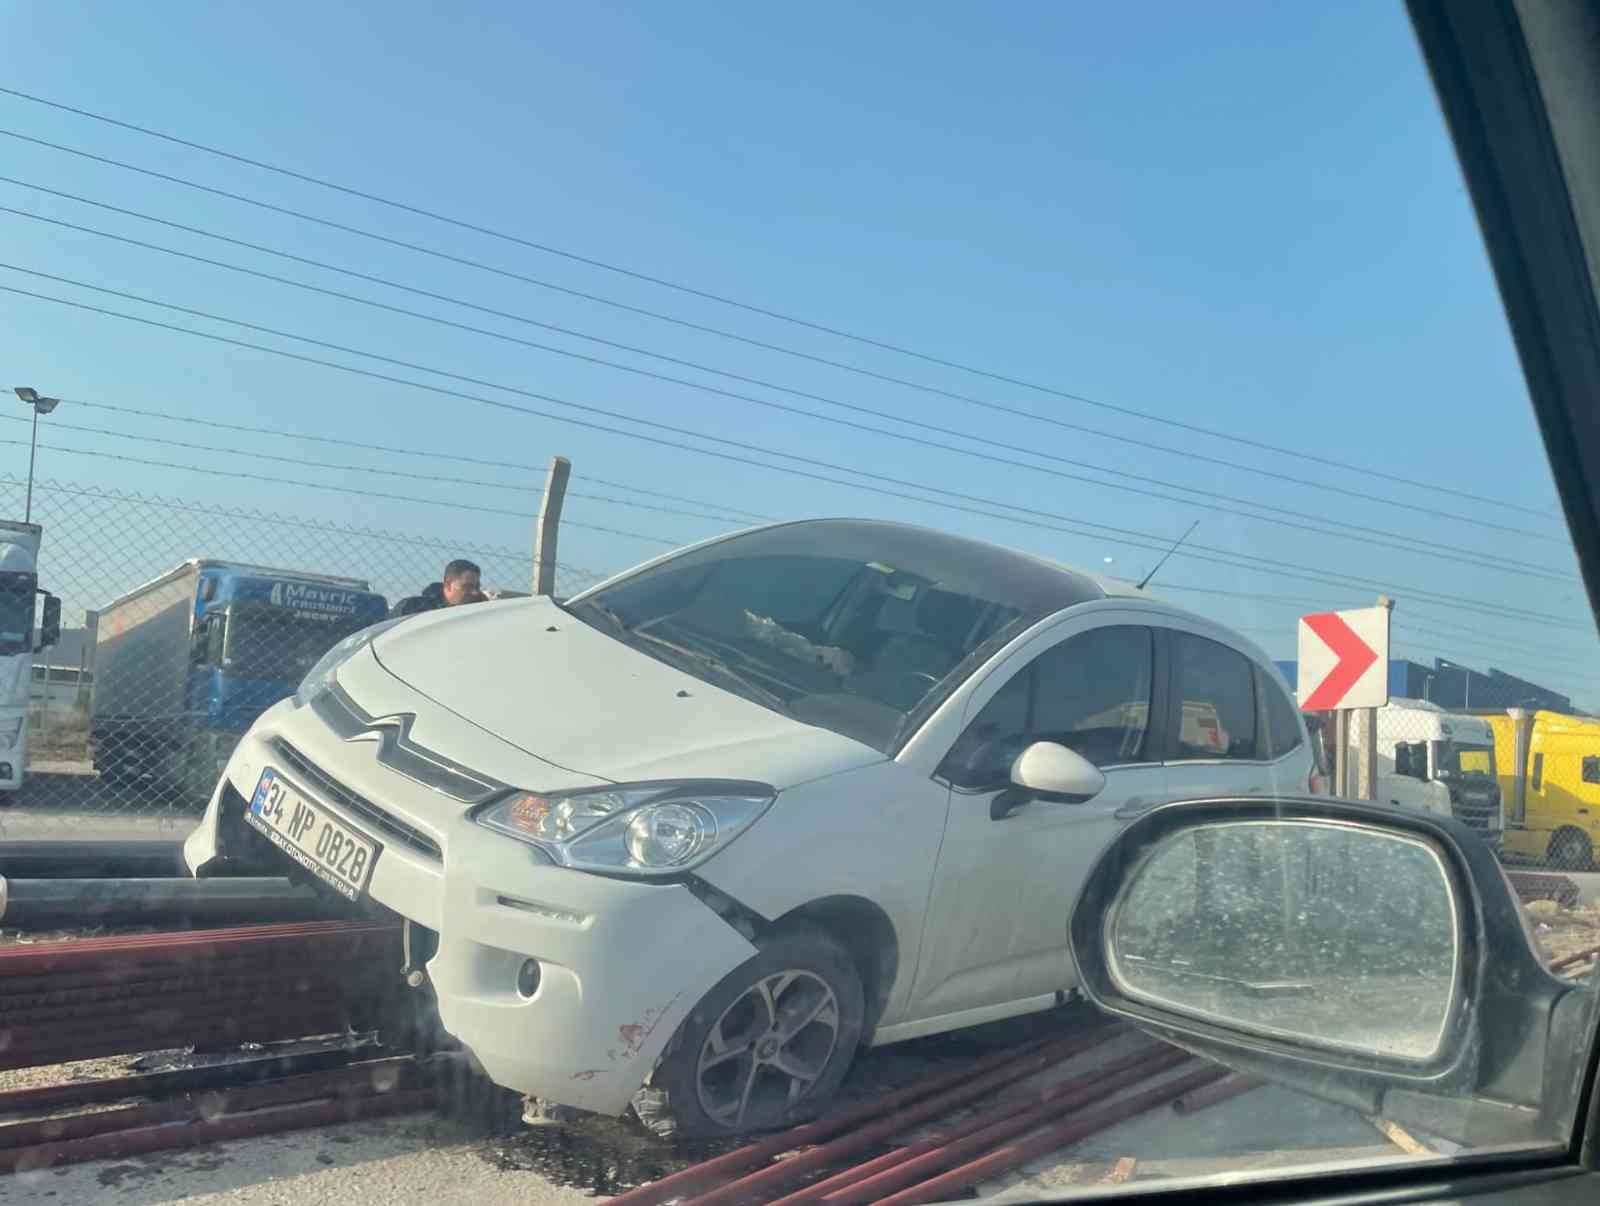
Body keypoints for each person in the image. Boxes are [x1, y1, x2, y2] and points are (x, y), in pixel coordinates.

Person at [393, 559, 485, 617]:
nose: (475, 592)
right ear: (448, 585)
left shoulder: (479, 610)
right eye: (467, 587)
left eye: (477, 587)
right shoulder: (413, 608)